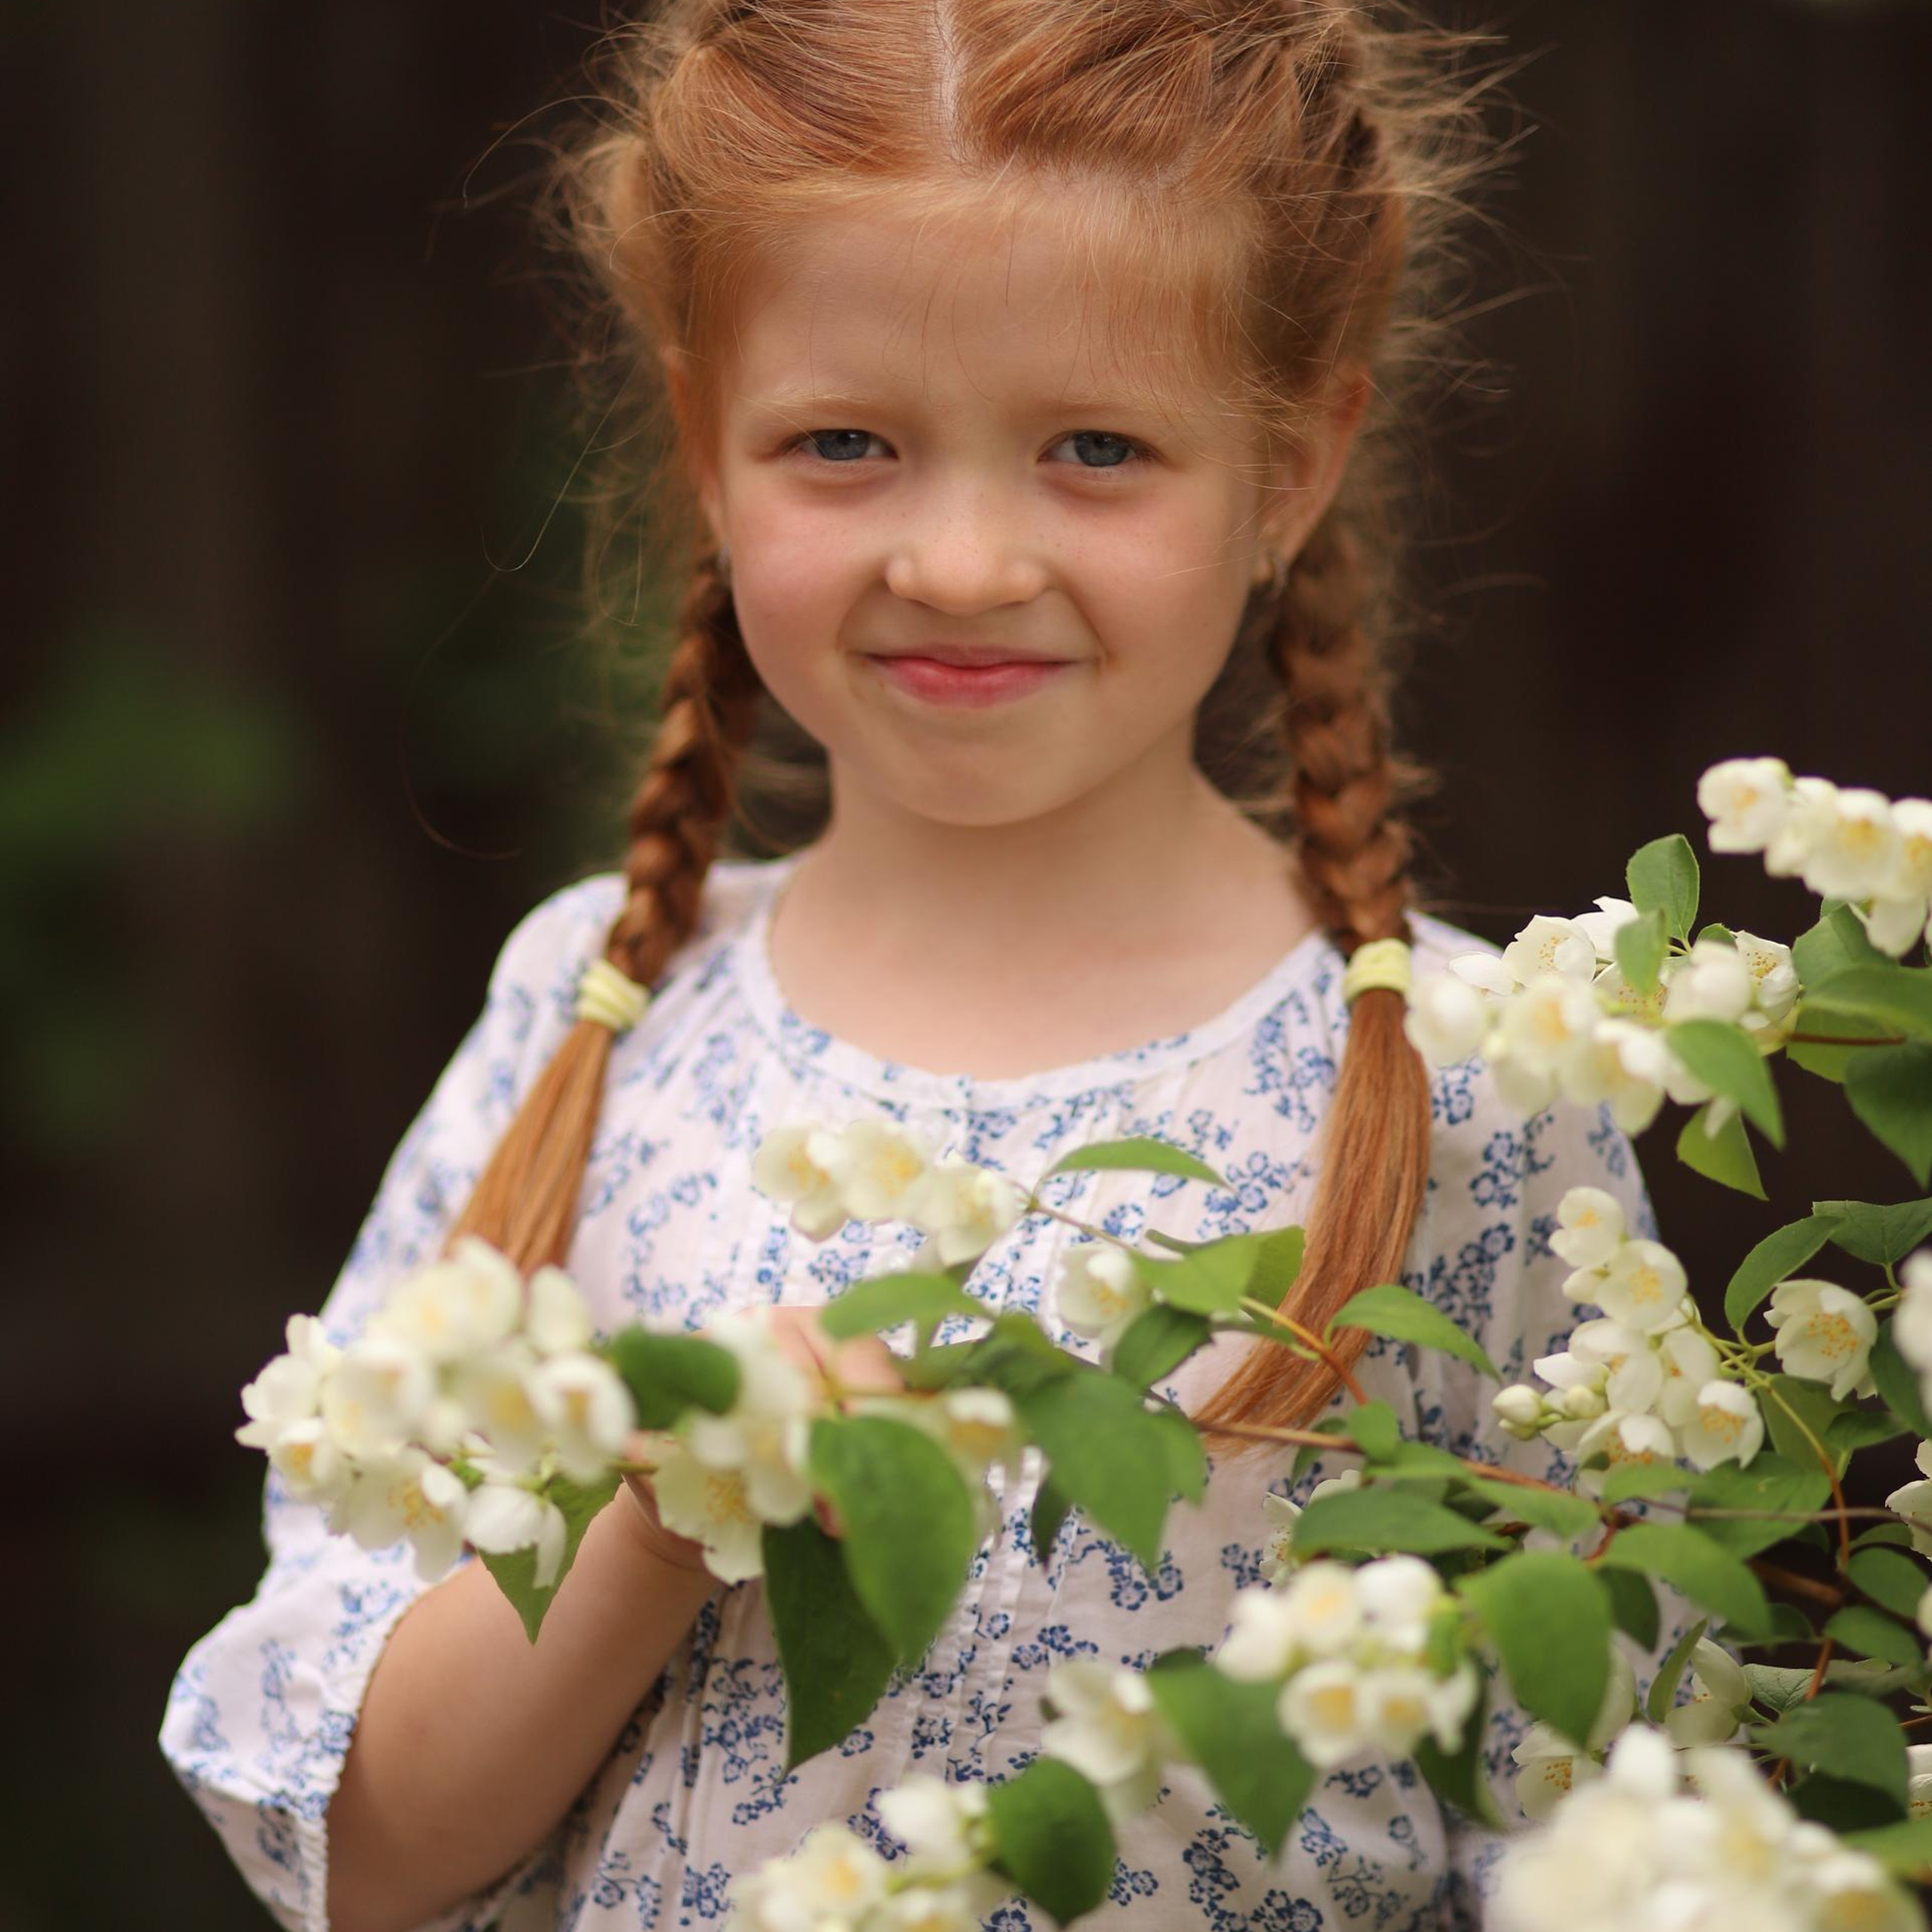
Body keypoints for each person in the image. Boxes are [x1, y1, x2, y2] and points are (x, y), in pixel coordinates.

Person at [161, 3, 1697, 1927]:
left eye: (1095, 448)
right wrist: (660, 1512)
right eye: (845, 443)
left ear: (1288, 470)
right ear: (705, 456)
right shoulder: (597, 1022)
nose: (962, 558)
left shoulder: (1464, 1077)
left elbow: (1620, 1816)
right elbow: (364, 1848)